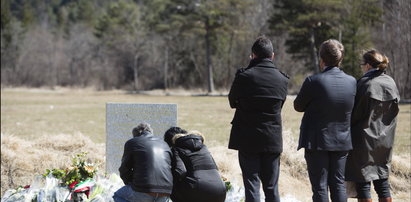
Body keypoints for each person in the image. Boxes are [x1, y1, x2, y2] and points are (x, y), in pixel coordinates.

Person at [294, 39, 356, 202]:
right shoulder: (352, 82)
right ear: (340, 59)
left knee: (320, 186)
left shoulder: (313, 81)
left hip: (317, 142)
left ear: (321, 59)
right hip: (342, 140)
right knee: (338, 184)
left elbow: (298, 106)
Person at [228, 36, 289, 202]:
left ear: (252, 55)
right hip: (272, 138)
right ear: (273, 56)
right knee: (271, 188)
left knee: (252, 185)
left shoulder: (244, 76)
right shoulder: (282, 79)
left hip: (248, 138)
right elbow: (280, 104)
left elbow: (232, 102)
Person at [345, 50, 399, 202]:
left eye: (362, 65)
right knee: (382, 180)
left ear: (368, 65)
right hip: (385, 140)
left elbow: (354, 114)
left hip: (363, 141)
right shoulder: (391, 83)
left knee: (362, 182)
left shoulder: (364, 84)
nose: (362, 68)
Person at [113, 123, 173, 202]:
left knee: (117, 196)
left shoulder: (133, 142)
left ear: (136, 135)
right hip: (166, 192)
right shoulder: (164, 144)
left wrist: (130, 182)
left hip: (143, 189)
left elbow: (124, 169)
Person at [163, 127, 226, 202]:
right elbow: (215, 168)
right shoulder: (203, 148)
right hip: (220, 191)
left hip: (197, 190)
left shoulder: (176, 149)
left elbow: (180, 171)